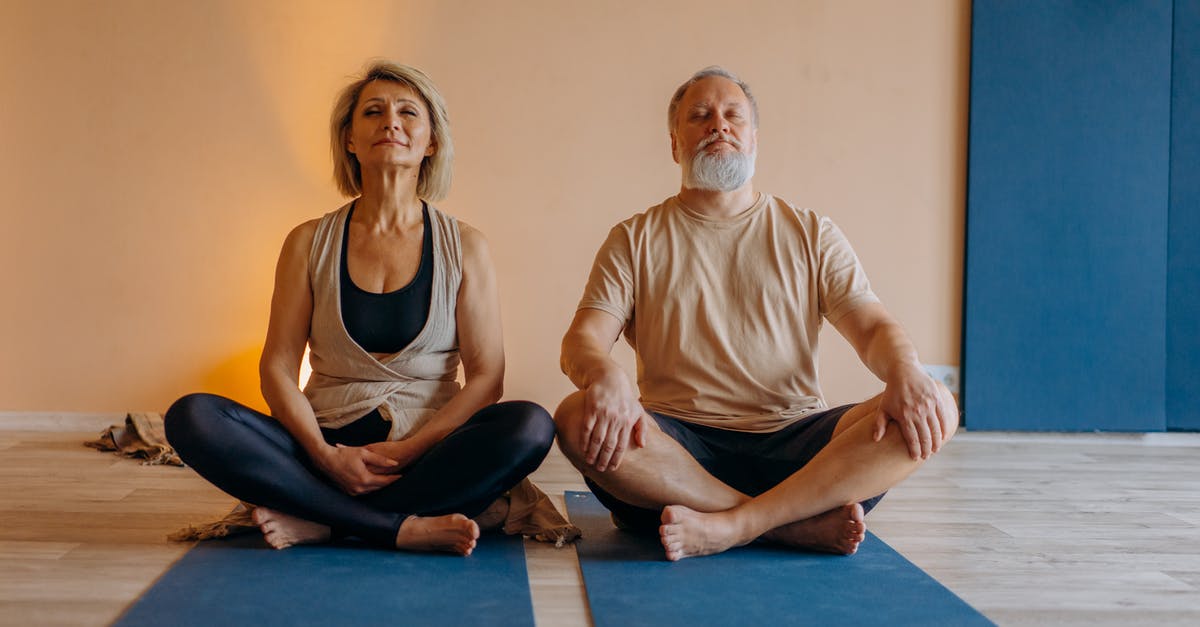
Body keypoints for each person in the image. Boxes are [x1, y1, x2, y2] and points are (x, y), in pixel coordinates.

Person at [554, 66, 958, 561]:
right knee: (575, 416)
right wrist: (604, 375)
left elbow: (872, 328)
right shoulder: (633, 238)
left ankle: (738, 524)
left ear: (754, 140)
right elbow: (583, 341)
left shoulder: (811, 232)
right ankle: (783, 525)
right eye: (699, 116)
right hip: (677, 455)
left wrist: (906, 370)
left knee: (937, 403)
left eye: (732, 116)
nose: (717, 125)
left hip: (797, 450)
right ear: (674, 144)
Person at [165, 61, 555, 556]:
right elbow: (278, 368)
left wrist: (406, 450)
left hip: (427, 452)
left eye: (407, 112)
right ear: (350, 138)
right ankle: (399, 526)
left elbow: (487, 378)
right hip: (322, 445)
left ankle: (326, 523)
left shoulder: (466, 246)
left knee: (531, 425)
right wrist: (326, 457)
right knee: (192, 416)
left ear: (431, 141)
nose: (390, 122)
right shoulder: (307, 241)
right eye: (373, 111)